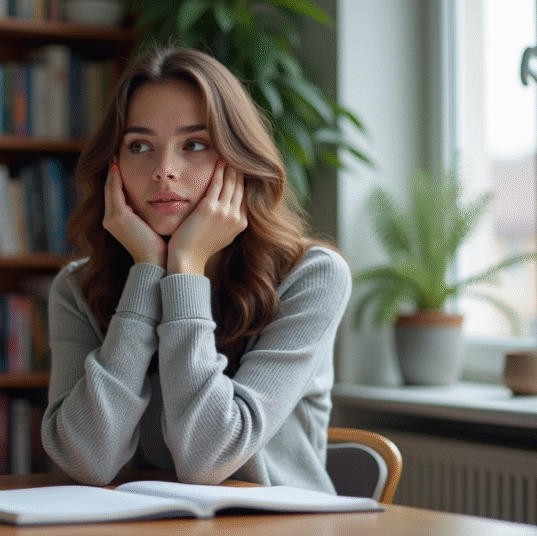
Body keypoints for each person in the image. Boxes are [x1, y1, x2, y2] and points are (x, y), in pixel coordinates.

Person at [40, 46, 351, 493]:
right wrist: (148, 271)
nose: (164, 171)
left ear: (238, 160)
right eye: (140, 146)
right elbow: (85, 460)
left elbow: (209, 459)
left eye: (196, 145)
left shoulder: (312, 277)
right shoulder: (76, 287)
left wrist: (185, 269)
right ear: (114, 167)